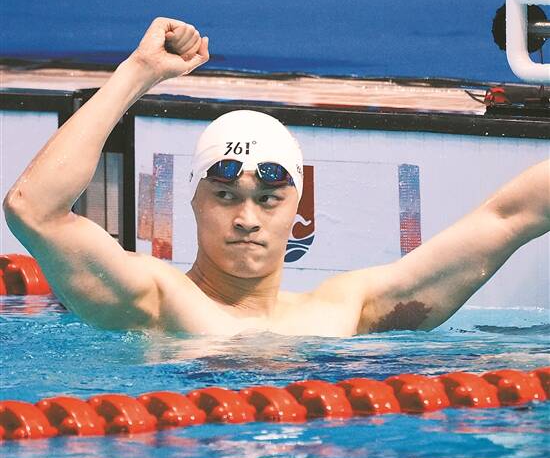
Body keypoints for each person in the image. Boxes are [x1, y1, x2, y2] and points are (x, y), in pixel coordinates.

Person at [3, 17, 549, 336]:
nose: (247, 218)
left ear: (298, 209)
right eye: (225, 195)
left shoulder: (345, 311)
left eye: (268, 198)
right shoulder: (156, 301)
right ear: (193, 201)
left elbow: (510, 217)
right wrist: (137, 73)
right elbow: (34, 210)